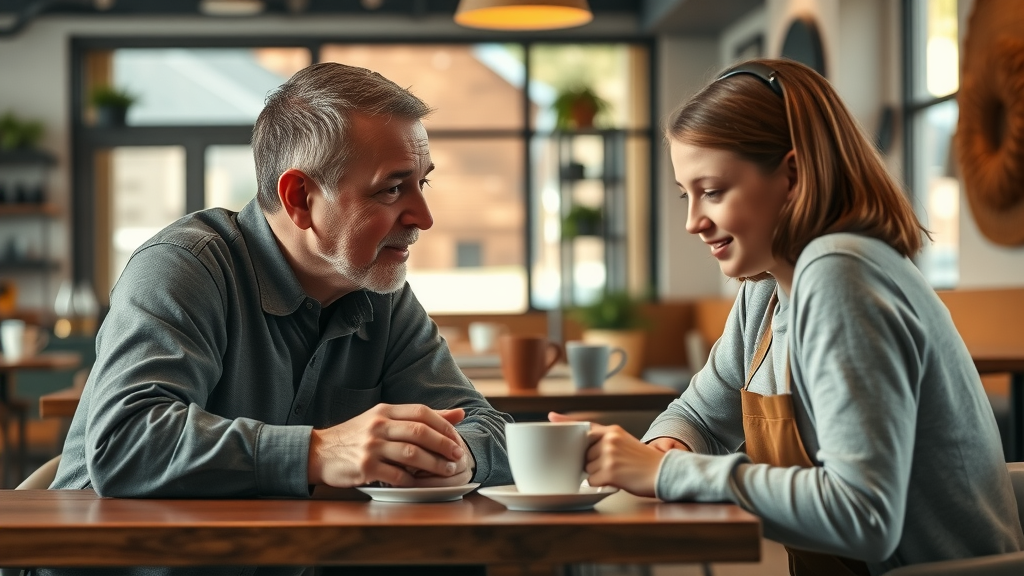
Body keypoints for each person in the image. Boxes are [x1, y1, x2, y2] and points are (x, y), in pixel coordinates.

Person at [552, 58, 1024, 575]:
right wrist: (669, 445)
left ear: (793, 175)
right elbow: (701, 416)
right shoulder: (768, 288)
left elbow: (863, 514)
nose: (693, 222)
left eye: (712, 191)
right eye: (685, 195)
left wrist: (667, 472)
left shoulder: (841, 274)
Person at [45, 62, 512, 575]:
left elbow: (489, 428)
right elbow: (127, 442)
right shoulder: (184, 267)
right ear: (300, 199)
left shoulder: (380, 292)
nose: (424, 217)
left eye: (422, 184)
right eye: (391, 189)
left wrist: (455, 458)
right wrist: (319, 451)